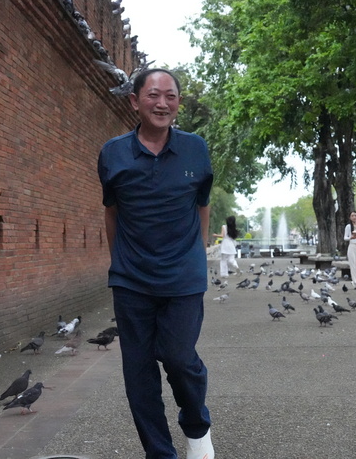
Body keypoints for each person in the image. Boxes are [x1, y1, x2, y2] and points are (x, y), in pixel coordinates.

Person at [98, 68, 215, 459]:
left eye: (171, 96)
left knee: (179, 358)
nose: (162, 103)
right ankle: (160, 453)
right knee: (139, 372)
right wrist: (120, 262)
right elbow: (112, 211)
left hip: (183, 277)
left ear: (178, 103)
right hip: (131, 280)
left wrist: (197, 253)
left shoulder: (195, 149)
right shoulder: (113, 153)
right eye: (153, 95)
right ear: (135, 101)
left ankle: (196, 428)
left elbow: (202, 204)